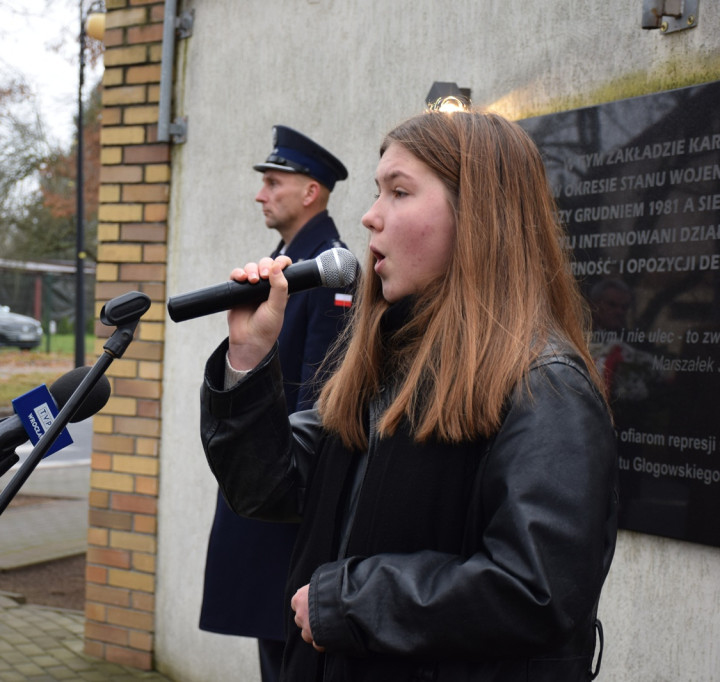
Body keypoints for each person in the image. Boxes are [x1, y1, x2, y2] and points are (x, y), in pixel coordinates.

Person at [200, 110, 619, 681]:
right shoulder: (385, 362)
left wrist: (346, 603)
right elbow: (268, 485)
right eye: (377, 192)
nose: (370, 217)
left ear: (479, 217)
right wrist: (248, 360)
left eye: (399, 192)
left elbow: (535, 591)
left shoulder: (545, 385)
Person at [199, 125, 353, 682]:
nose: (260, 194)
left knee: (289, 655)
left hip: (289, 495)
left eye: (273, 182)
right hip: (266, 480)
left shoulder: (328, 268)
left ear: (310, 190)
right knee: (272, 652)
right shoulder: (286, 259)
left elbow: (322, 393)